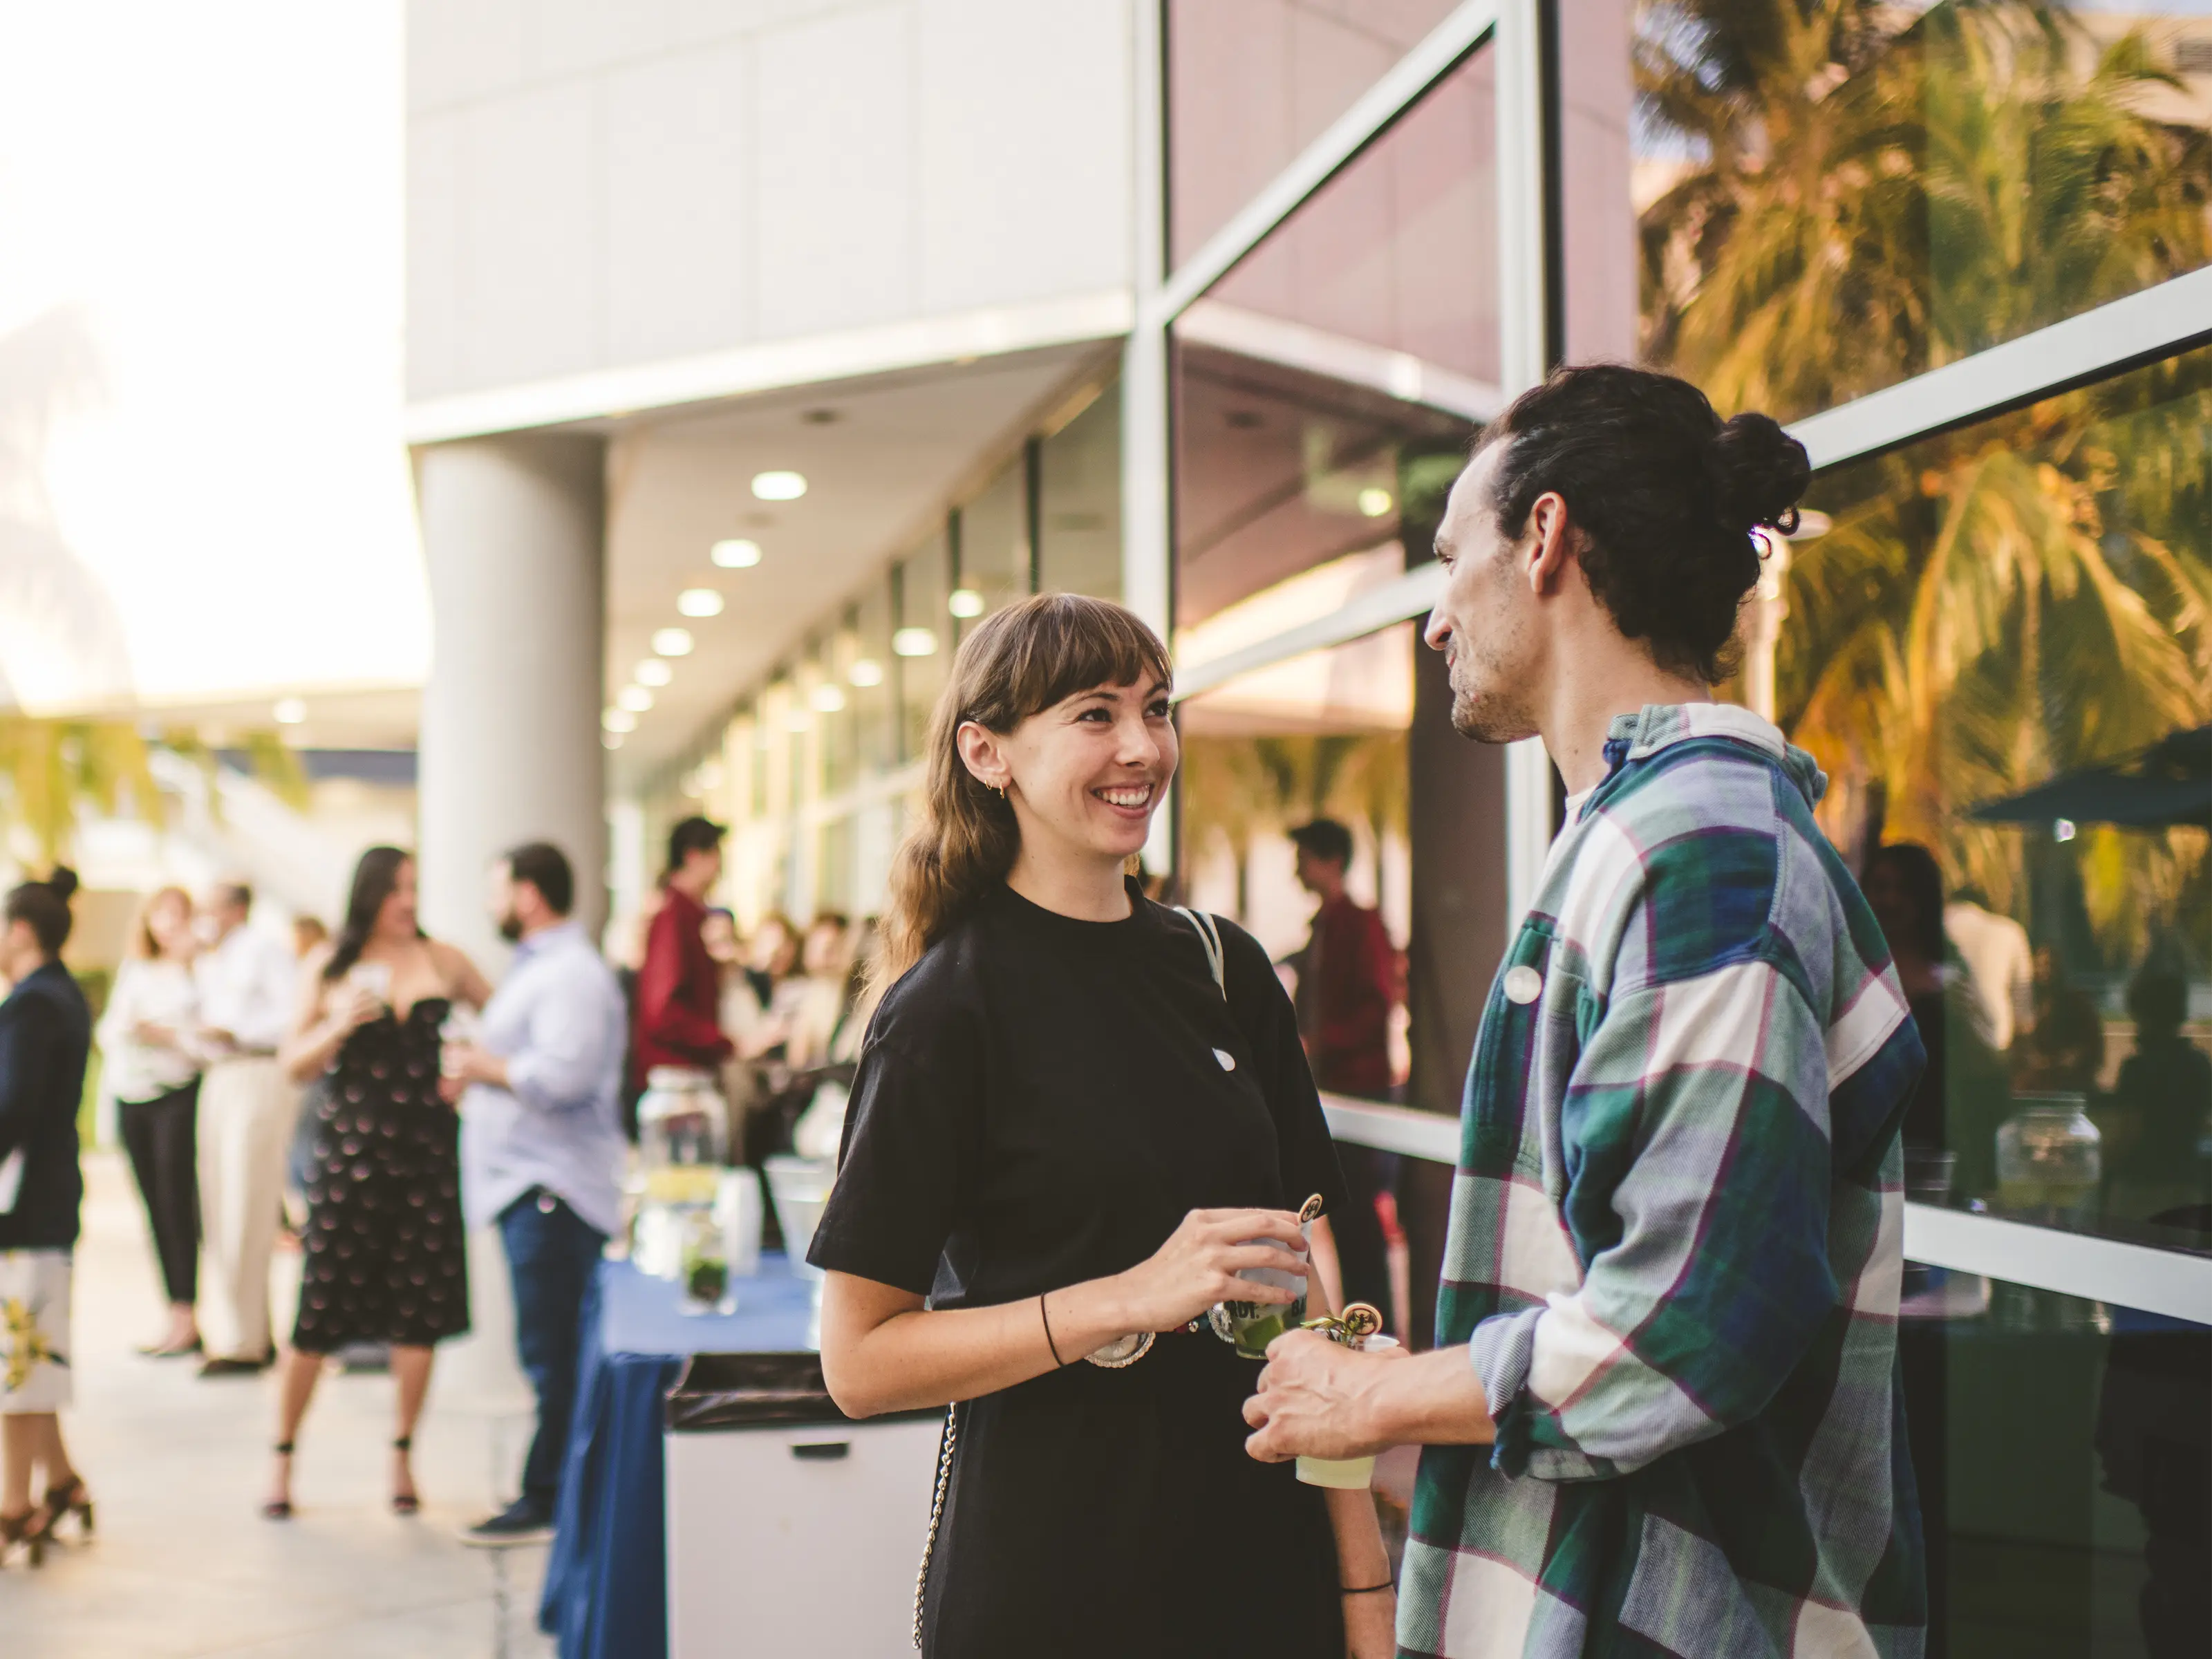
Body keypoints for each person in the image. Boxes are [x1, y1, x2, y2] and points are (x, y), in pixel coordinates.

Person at [1238, 364, 1929, 1656]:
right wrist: (1421, 1418)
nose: (1437, 620)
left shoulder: (1701, 851)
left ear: (1544, 537)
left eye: (1453, 560)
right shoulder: (1647, 835)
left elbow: (1686, 1327)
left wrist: (1386, 1393)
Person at [810, 593, 1393, 1659]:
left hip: (1263, 1563)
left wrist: (1363, 1581)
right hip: (1054, 1577)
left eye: (1157, 708)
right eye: (1093, 714)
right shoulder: (945, 1008)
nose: (1141, 748)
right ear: (987, 753)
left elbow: (1309, 1290)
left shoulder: (1227, 970)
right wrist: (1126, 1298)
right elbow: (859, 1362)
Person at [263, 847, 490, 1519]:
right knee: (319, 1310)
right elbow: (291, 1065)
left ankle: (402, 1454)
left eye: (414, 888)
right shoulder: (328, 964)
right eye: (396, 889)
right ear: (369, 894)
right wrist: (337, 1024)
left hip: (425, 1156)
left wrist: (468, 1066)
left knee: (417, 1314)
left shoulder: (444, 959)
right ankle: (281, 1457)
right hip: (348, 1159)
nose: (407, 901)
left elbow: (502, 1017)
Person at [444, 842, 627, 1541]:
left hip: (553, 1193)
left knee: (553, 1356)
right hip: (533, 1188)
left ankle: (550, 1495)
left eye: (497, 890)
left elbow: (562, 1076)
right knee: (547, 1352)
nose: (491, 905)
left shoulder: (571, 975)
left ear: (528, 895)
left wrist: (486, 1067)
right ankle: (555, 1489)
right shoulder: (542, 970)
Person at [0, 870, 95, 1567]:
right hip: (48, 1200)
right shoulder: (61, 994)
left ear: (22, 931)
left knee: (19, 1357)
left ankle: (13, 1507)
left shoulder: (33, 1004)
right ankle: (61, 1483)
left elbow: (11, 1109)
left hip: (25, 1207)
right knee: (33, 1349)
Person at [1284, 818, 1398, 1320]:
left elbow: (1377, 1004)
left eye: (1304, 857)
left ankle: (1373, 1322)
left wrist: (1320, 1046)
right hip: (1335, 1089)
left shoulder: (1358, 924)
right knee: (1345, 1218)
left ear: (1330, 861)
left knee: (1358, 1221)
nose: (1296, 870)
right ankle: (1359, 1318)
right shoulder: (1325, 928)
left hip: (1359, 1090)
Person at [191, 880, 303, 1376]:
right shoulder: (213, 958)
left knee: (247, 1202)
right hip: (221, 1075)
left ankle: (245, 1342)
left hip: (257, 1072)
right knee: (219, 1203)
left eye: (210, 906)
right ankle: (247, 1329)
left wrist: (238, 1033)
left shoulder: (263, 951)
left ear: (235, 908)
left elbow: (294, 1016)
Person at [97, 887, 206, 1358]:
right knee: (154, 1208)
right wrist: (135, 1031)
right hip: (132, 1096)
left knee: (176, 1201)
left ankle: (188, 1313)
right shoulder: (134, 970)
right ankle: (175, 1313)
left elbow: (207, 1039)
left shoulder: (198, 972)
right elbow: (110, 1029)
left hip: (176, 1096)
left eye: (177, 914)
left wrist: (162, 1035)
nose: (167, 923)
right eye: (160, 914)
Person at [2101, 968, 2212, 1228]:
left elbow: (2131, 1131)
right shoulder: (2198, 1063)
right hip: (2185, 1184)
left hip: (2139, 1186)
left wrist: (2100, 1165)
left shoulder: (2137, 1068)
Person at [632, 816, 733, 1092]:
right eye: (715, 854)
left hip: (681, 1073)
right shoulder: (674, 916)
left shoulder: (687, 914)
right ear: (693, 856)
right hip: (676, 1078)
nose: (720, 866)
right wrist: (722, 1042)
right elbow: (663, 1011)